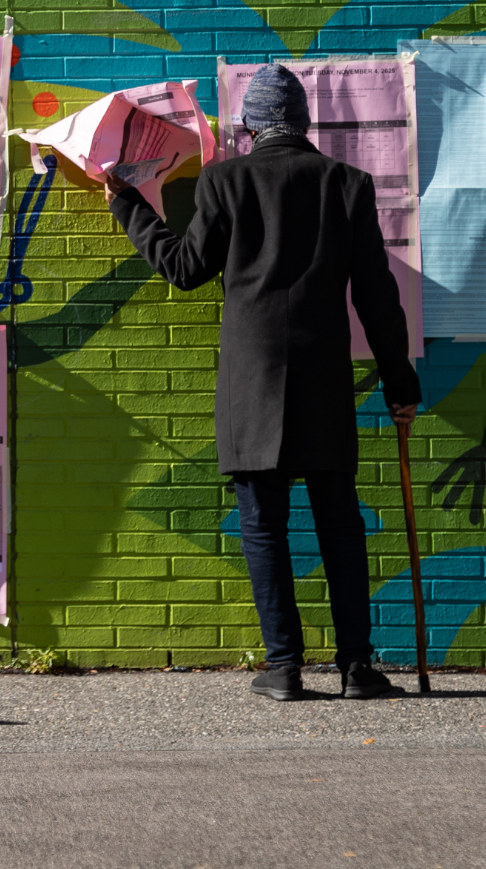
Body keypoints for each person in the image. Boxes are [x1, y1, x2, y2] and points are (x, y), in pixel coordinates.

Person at [106, 66, 421, 702]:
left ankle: (283, 669)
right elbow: (377, 296)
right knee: (339, 524)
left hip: (251, 384)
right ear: (304, 122)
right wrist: (400, 381)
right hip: (325, 380)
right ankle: (357, 668)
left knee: (263, 526)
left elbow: (185, 269)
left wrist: (127, 204)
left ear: (249, 125)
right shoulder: (347, 185)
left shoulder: (226, 181)